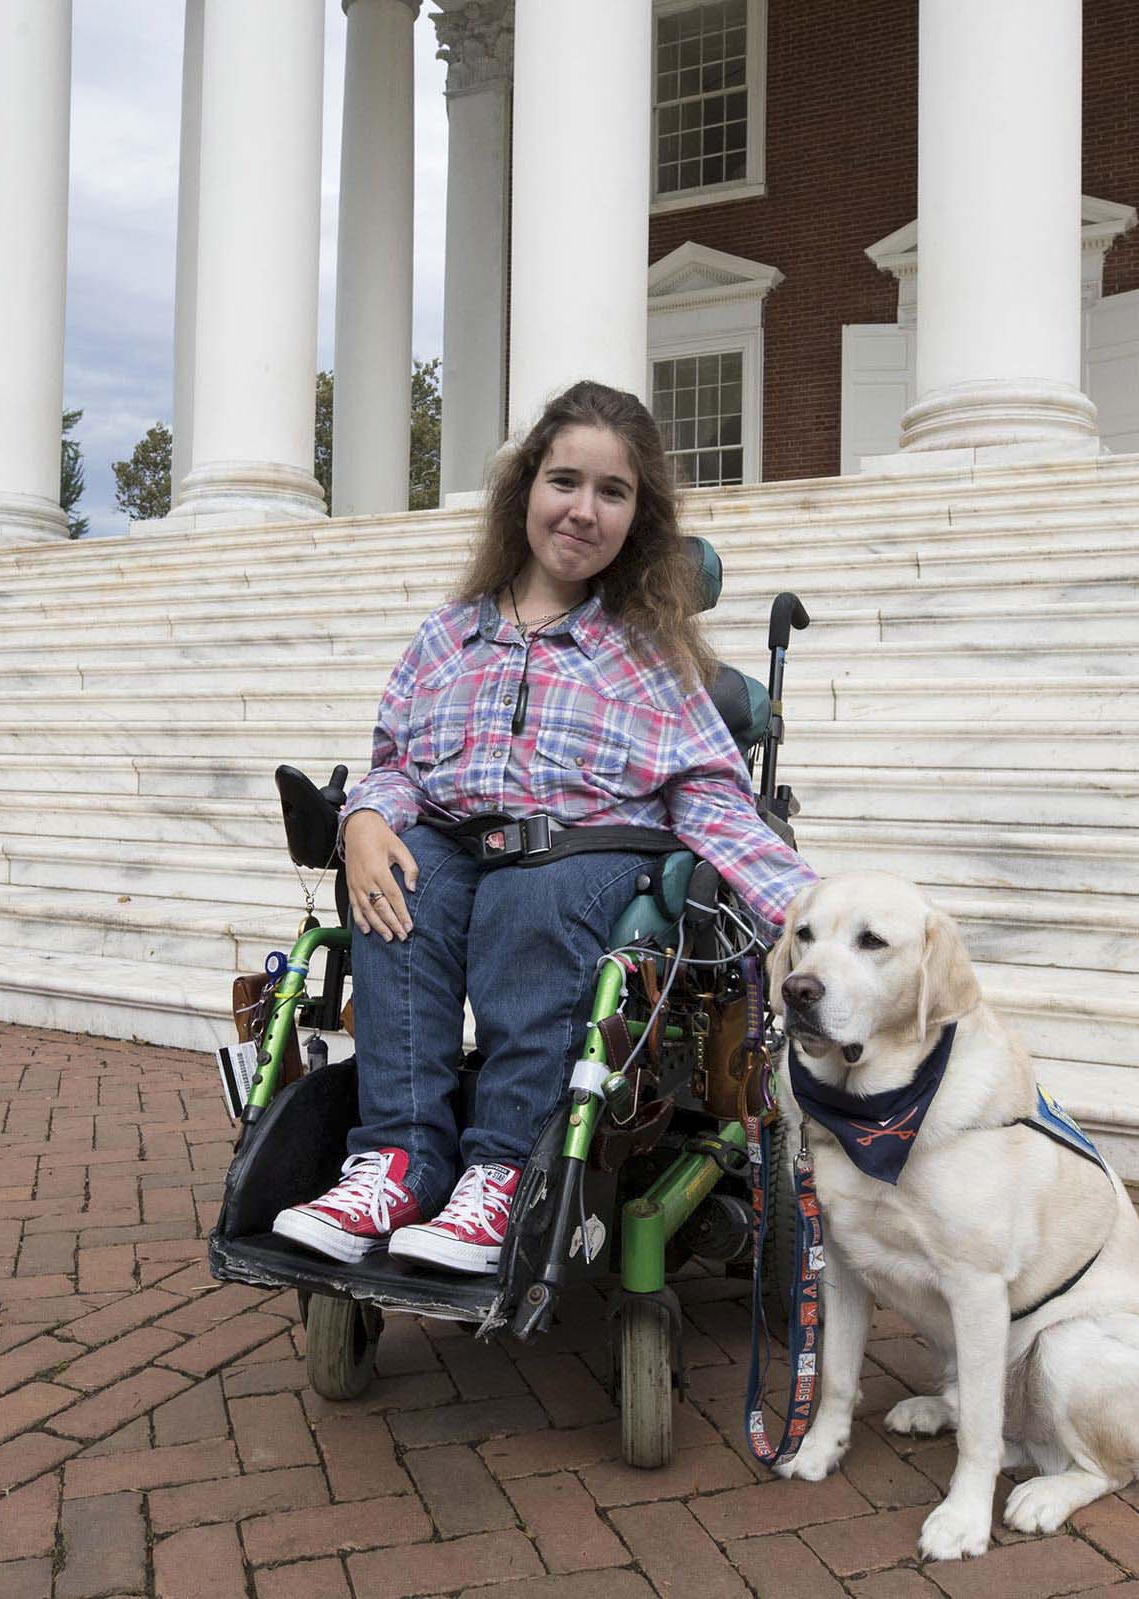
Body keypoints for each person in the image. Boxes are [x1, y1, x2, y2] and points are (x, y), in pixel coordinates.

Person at [272, 380, 815, 1274]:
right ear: (526, 488)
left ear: (637, 517)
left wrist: (814, 910)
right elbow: (397, 764)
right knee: (403, 886)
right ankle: (397, 1161)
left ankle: (500, 1175)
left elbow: (712, 796)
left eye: (613, 492)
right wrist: (367, 818)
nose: (583, 510)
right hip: (455, 841)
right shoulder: (448, 636)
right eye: (565, 481)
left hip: (592, 859)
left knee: (532, 895)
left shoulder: (646, 653)